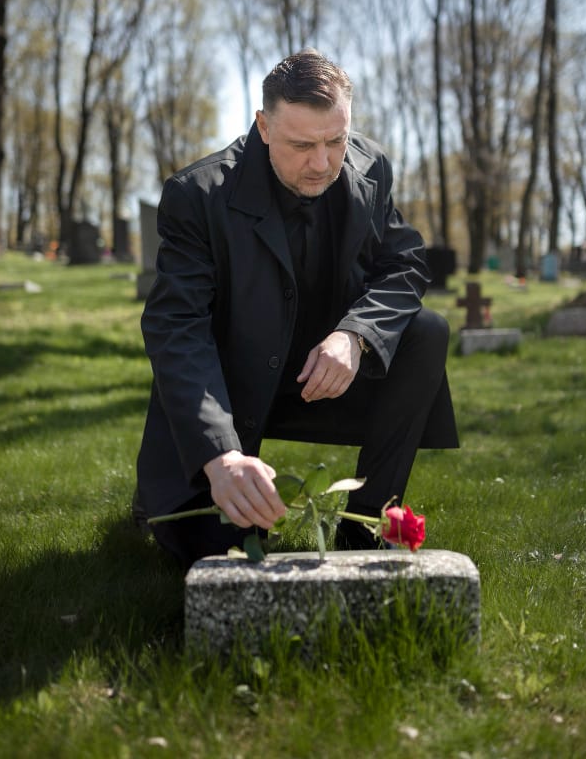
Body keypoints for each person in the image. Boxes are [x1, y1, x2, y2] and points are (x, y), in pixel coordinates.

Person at [134, 48, 458, 569]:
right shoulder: (196, 196)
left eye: (336, 140)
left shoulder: (369, 168)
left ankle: (367, 522)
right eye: (302, 144)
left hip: (326, 378)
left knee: (425, 331)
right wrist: (220, 457)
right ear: (263, 126)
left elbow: (406, 266)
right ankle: (182, 491)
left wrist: (355, 335)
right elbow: (177, 331)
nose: (323, 162)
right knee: (222, 553)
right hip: (232, 391)